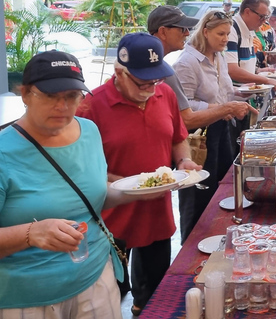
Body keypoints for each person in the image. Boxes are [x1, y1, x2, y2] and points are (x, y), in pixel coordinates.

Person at [0, 51, 152, 318]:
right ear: (25, 94)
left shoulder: (89, 132)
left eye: (72, 96)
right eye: (50, 96)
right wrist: (31, 233)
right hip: (25, 299)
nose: (62, 106)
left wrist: (135, 190)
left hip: (96, 279)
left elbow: (90, 196)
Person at [77, 34, 202, 316]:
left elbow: (178, 138)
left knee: (154, 290)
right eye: (142, 82)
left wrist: (184, 161)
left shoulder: (164, 94)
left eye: (155, 80)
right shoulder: (91, 106)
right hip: (111, 218)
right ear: (119, 72)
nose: (150, 87)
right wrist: (122, 184)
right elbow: (80, 165)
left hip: (156, 211)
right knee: (109, 292)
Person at [172, 11, 257, 241]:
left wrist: (242, 94)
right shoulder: (187, 62)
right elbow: (183, 108)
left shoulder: (218, 57)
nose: (225, 39)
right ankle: (191, 245)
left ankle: (217, 238)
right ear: (205, 31)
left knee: (221, 187)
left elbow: (224, 93)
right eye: (220, 33)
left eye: (228, 34)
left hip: (222, 128)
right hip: (198, 136)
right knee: (198, 195)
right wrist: (222, 108)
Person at [226, 0, 276, 91]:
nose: (263, 21)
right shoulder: (232, 30)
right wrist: (266, 80)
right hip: (235, 96)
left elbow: (245, 65)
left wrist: (258, 70)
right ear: (247, 11)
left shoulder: (250, 29)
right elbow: (232, 70)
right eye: (261, 17)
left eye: (266, 18)